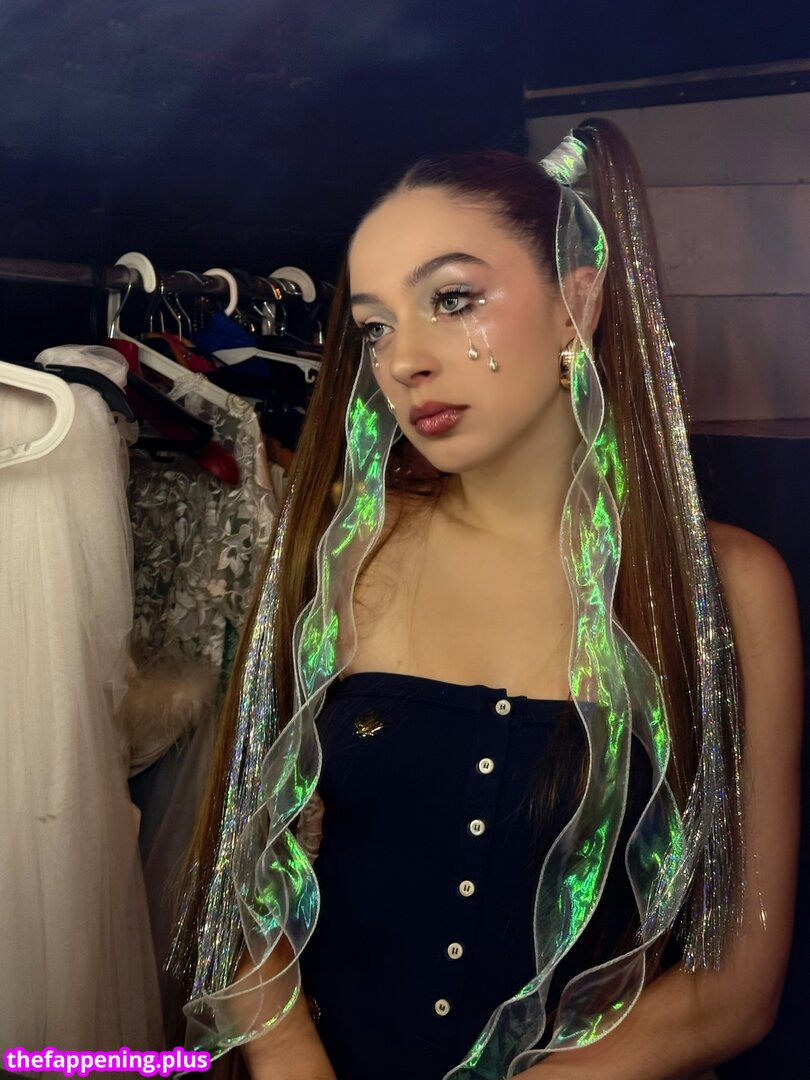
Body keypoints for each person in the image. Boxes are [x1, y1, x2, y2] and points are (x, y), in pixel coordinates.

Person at [173, 119, 802, 1079]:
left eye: (453, 299)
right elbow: (240, 885)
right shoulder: (342, 558)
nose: (404, 360)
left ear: (576, 304)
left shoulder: (726, 591)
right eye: (376, 326)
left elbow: (734, 988)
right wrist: (294, 1058)